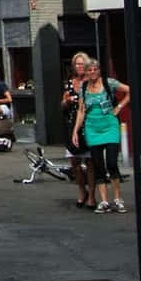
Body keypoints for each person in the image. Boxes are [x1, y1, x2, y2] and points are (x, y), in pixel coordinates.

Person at [73, 57, 130, 213]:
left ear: (99, 70)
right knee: (98, 166)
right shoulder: (84, 87)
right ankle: (104, 201)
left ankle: (117, 198)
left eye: (95, 70)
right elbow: (81, 110)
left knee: (111, 162)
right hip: (92, 128)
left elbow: (129, 91)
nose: (92, 73)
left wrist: (119, 106)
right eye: (89, 70)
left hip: (110, 126)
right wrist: (76, 131)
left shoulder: (108, 83)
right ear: (86, 72)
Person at [62, 51, 94, 209]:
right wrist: (67, 101)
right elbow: (62, 103)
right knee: (74, 161)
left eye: (82, 64)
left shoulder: (92, 81)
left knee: (90, 161)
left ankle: (92, 196)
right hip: (72, 122)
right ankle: (82, 191)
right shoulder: (70, 82)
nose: (80, 67)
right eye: (77, 64)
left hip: (89, 124)